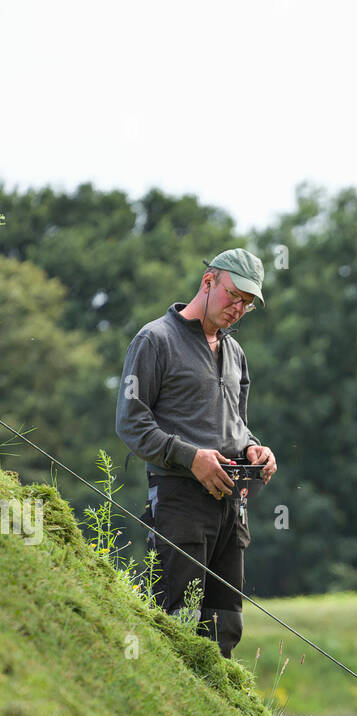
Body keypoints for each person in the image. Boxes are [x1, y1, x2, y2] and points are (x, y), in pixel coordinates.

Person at [115, 248, 277, 658]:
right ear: (209, 282)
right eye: (233, 295)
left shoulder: (236, 353)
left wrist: (256, 449)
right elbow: (131, 423)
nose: (238, 308)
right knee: (178, 621)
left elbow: (237, 426)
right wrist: (191, 457)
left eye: (247, 303)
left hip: (232, 505)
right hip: (179, 503)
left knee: (225, 628)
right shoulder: (155, 340)